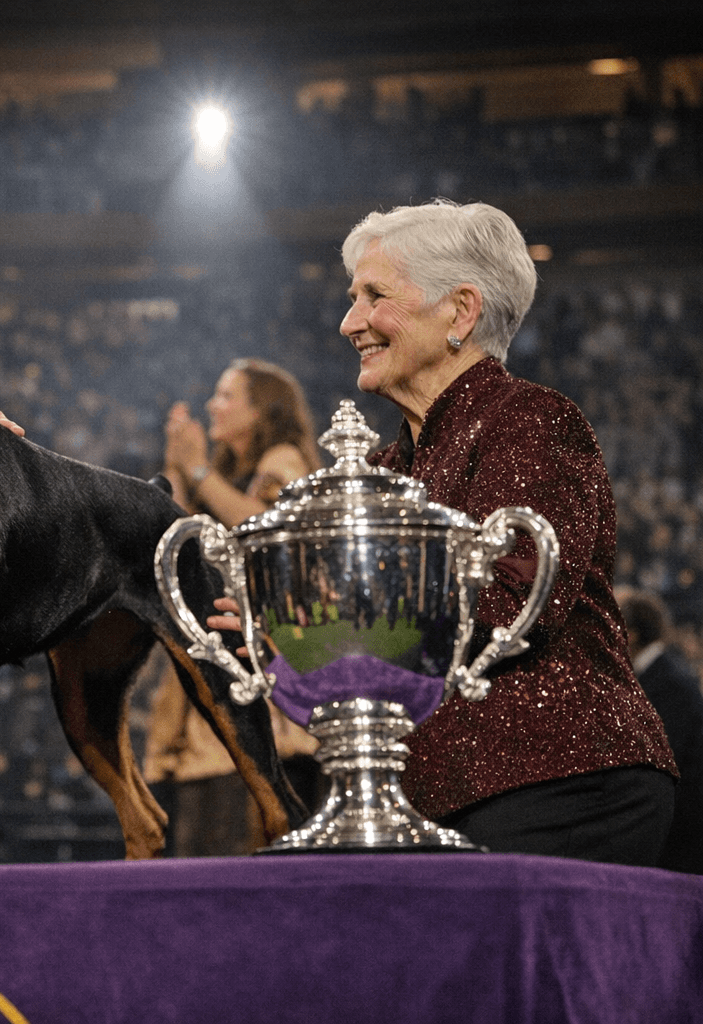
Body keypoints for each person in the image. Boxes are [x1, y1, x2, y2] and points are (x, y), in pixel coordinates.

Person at [207, 198, 676, 865]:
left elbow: (510, 599)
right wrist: (286, 635)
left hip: (558, 780)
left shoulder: (530, 420)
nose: (350, 322)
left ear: (460, 311)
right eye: (351, 298)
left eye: (374, 296)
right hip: (428, 795)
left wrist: (337, 623)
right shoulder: (379, 468)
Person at [145, 359, 323, 855]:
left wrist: (198, 469)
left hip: (266, 684)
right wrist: (178, 468)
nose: (212, 406)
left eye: (226, 396)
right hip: (216, 675)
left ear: (260, 409)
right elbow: (173, 541)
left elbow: (266, 526)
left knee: (243, 843)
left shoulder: (285, 460)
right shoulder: (226, 478)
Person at [620, 590, 703, 873]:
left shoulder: (668, 684)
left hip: (678, 836)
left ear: (629, 635)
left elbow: (665, 759)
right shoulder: (660, 676)